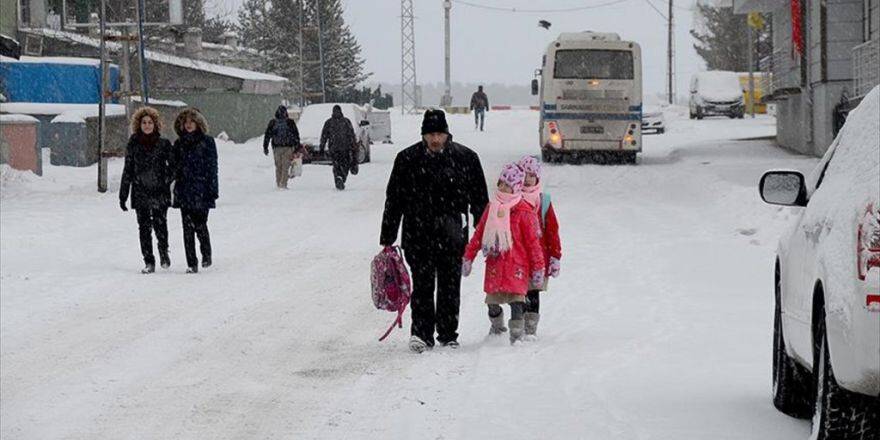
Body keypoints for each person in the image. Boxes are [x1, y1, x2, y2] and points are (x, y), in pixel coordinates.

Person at [380, 109, 489, 352]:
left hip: (453, 234)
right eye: (431, 134)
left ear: (447, 134)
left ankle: (448, 334)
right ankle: (421, 333)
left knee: (450, 286)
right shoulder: (407, 159)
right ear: (423, 135)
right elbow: (394, 200)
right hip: (417, 234)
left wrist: (485, 235)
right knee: (423, 283)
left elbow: (480, 200)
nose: (435, 139)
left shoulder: (466, 158)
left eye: (439, 134)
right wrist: (388, 237)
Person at [462, 163, 545, 345]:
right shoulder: (492, 208)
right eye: (501, 183)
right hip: (496, 264)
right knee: (492, 302)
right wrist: (468, 256)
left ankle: (516, 336)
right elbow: (479, 234)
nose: (503, 188)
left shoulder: (524, 211)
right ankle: (497, 326)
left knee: (517, 301)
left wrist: (538, 268)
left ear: (516, 188)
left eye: (508, 185)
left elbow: (533, 243)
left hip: (517, 264)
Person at [119, 107, 174, 274]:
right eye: (144, 122)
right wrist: (123, 194)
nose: (147, 125)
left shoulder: (163, 144)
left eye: (150, 122)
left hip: (159, 191)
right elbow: (128, 169)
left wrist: (165, 179)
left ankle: (164, 252)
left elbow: (173, 166)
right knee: (144, 228)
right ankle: (149, 261)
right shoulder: (133, 144)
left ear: (155, 124)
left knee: (160, 225)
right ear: (139, 124)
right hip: (140, 190)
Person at [517, 155, 562, 340]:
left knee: (533, 291)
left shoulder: (543, 201)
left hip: (538, 256)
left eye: (532, 175)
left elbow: (552, 229)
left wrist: (555, 255)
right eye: (524, 174)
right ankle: (516, 324)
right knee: (517, 292)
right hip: (517, 255)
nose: (528, 178)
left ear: (537, 178)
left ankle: (530, 327)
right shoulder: (512, 198)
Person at [171, 108, 218, 274]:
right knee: (187, 228)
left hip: (202, 189)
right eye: (186, 122)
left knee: (200, 224)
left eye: (192, 121)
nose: (189, 124)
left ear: (198, 123)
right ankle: (191, 262)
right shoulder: (178, 144)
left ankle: (206, 253)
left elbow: (212, 167)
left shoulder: (207, 142)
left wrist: (213, 190)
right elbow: (173, 168)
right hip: (184, 190)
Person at [319, 105, 357, 190]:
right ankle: (342, 177)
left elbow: (324, 135)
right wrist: (353, 145)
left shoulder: (329, 122)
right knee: (345, 165)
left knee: (336, 165)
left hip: (333, 148)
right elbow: (351, 135)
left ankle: (338, 178)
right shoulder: (346, 121)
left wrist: (322, 146)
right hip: (345, 148)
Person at [263, 105, 300, 190]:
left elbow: (267, 135)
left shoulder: (273, 122)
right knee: (285, 166)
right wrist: (297, 146)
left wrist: (265, 147)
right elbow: (296, 135)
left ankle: (278, 183)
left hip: (276, 148)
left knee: (278, 166)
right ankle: (283, 184)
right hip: (288, 147)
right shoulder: (290, 122)